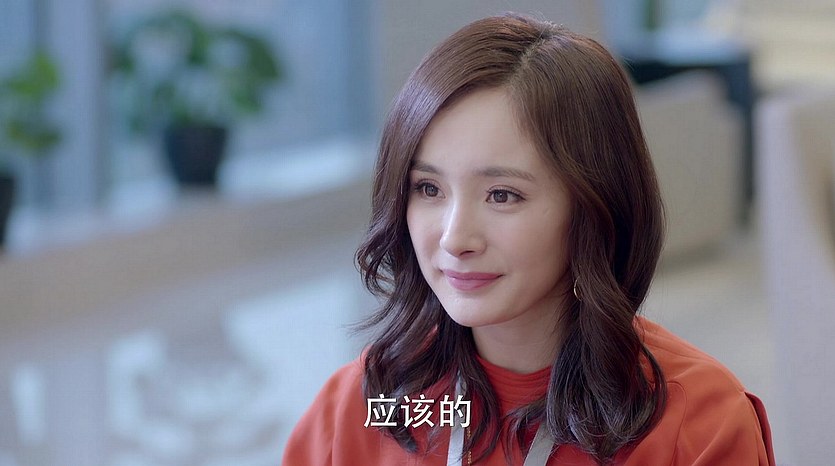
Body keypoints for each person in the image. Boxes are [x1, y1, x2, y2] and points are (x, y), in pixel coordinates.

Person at [282, 13, 775, 466]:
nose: (455, 238)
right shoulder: (370, 404)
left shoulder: (697, 423)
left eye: (502, 195)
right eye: (428, 188)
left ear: (593, 206)